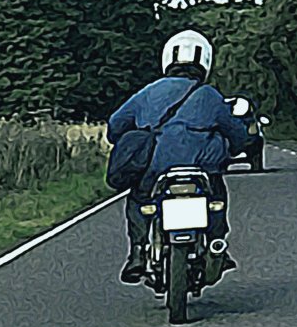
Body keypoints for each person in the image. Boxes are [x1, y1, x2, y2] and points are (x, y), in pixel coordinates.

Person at [106, 29, 252, 284]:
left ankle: (138, 252)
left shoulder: (148, 92)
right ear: (204, 61)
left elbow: (115, 126)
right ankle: (217, 242)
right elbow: (236, 133)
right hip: (202, 167)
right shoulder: (210, 95)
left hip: (155, 168)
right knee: (216, 195)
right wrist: (235, 149)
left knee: (139, 199)